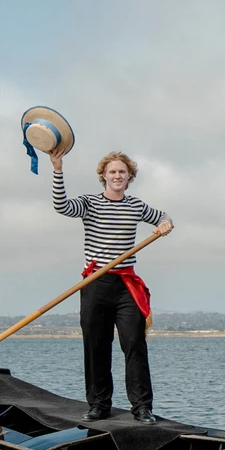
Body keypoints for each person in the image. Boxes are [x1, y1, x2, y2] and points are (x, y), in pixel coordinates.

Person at [50, 147, 173, 422]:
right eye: (112, 172)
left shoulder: (136, 206)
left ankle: (142, 407)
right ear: (103, 176)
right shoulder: (90, 203)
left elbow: (165, 217)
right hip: (95, 284)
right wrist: (58, 170)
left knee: (134, 344)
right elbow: (62, 206)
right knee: (96, 346)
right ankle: (98, 405)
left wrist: (165, 224)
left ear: (129, 177)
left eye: (122, 172)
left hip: (126, 286)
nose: (117, 176)